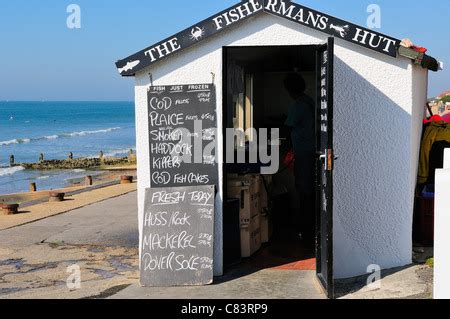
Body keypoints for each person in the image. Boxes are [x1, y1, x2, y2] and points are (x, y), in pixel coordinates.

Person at [283, 72, 316, 243]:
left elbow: (288, 127)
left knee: (304, 190)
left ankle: (306, 230)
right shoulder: (309, 101)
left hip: (303, 152)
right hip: (311, 151)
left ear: (289, 90)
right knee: (308, 189)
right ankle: (308, 227)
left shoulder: (298, 106)